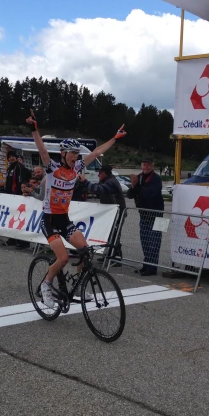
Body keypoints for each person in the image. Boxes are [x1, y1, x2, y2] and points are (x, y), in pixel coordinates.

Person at [26, 111, 125, 309]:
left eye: (77, 153)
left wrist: (114, 138)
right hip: (49, 220)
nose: (75, 156)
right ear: (63, 154)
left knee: (84, 250)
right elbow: (43, 151)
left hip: (64, 219)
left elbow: (96, 153)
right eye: (72, 153)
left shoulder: (77, 168)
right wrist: (34, 130)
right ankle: (46, 284)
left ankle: (79, 286)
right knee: (62, 258)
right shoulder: (53, 168)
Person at [127, 158, 164, 276]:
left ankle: (152, 268)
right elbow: (129, 195)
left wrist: (137, 185)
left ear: (152, 166)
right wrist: (133, 186)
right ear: (141, 166)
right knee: (145, 241)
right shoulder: (139, 177)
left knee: (154, 242)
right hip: (144, 214)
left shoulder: (156, 179)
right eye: (144, 165)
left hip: (157, 215)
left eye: (148, 165)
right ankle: (146, 265)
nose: (146, 167)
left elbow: (150, 194)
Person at [82, 164, 126, 262]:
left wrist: (85, 182)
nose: (98, 175)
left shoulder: (111, 182)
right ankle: (110, 255)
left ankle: (115, 257)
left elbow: (101, 189)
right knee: (110, 234)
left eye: (100, 173)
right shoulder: (106, 181)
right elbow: (97, 191)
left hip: (118, 212)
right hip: (111, 213)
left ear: (105, 173)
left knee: (115, 234)